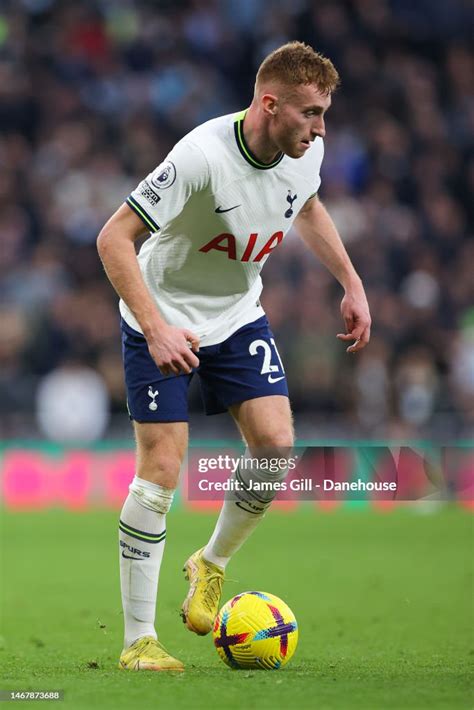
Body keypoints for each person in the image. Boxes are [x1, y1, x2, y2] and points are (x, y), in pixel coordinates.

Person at [97, 41, 371, 672]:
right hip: (161, 318)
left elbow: (307, 205)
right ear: (269, 104)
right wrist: (156, 326)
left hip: (237, 316)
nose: (320, 127)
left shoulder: (308, 153)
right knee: (162, 470)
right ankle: (138, 640)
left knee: (276, 447)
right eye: (309, 113)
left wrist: (351, 282)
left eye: (325, 113)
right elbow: (113, 237)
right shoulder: (200, 157)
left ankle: (211, 564)